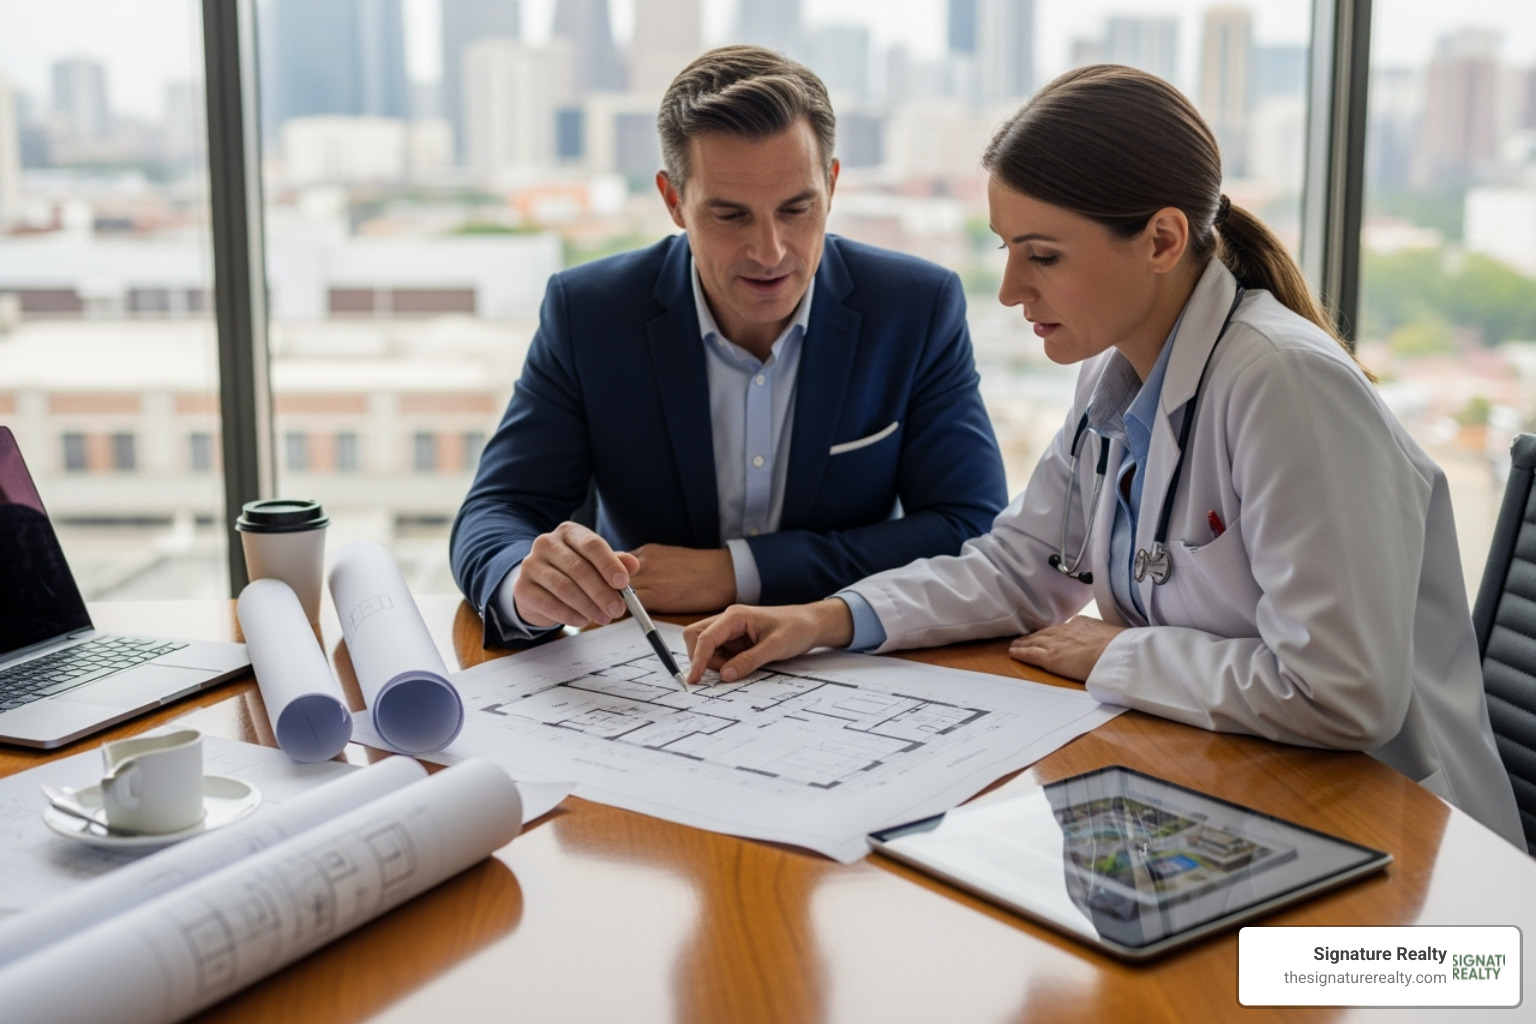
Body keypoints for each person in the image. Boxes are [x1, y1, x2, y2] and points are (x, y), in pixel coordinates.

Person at [684, 64, 1525, 848]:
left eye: (1042, 255)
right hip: (1230, 787)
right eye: (1007, 249)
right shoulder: (1117, 370)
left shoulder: (1283, 385)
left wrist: (1117, 654)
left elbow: (1343, 692)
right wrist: (823, 620)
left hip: (1392, 838)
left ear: (1162, 240)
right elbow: (1020, 570)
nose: (1011, 290)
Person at [451, 45, 1007, 646]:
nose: (770, 251)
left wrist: (735, 572)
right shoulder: (589, 312)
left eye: (797, 208)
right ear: (673, 202)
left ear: (833, 184)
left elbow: (968, 525)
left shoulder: (916, 307)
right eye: (731, 216)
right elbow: (496, 513)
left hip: (839, 658)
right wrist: (526, 584)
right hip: (646, 663)